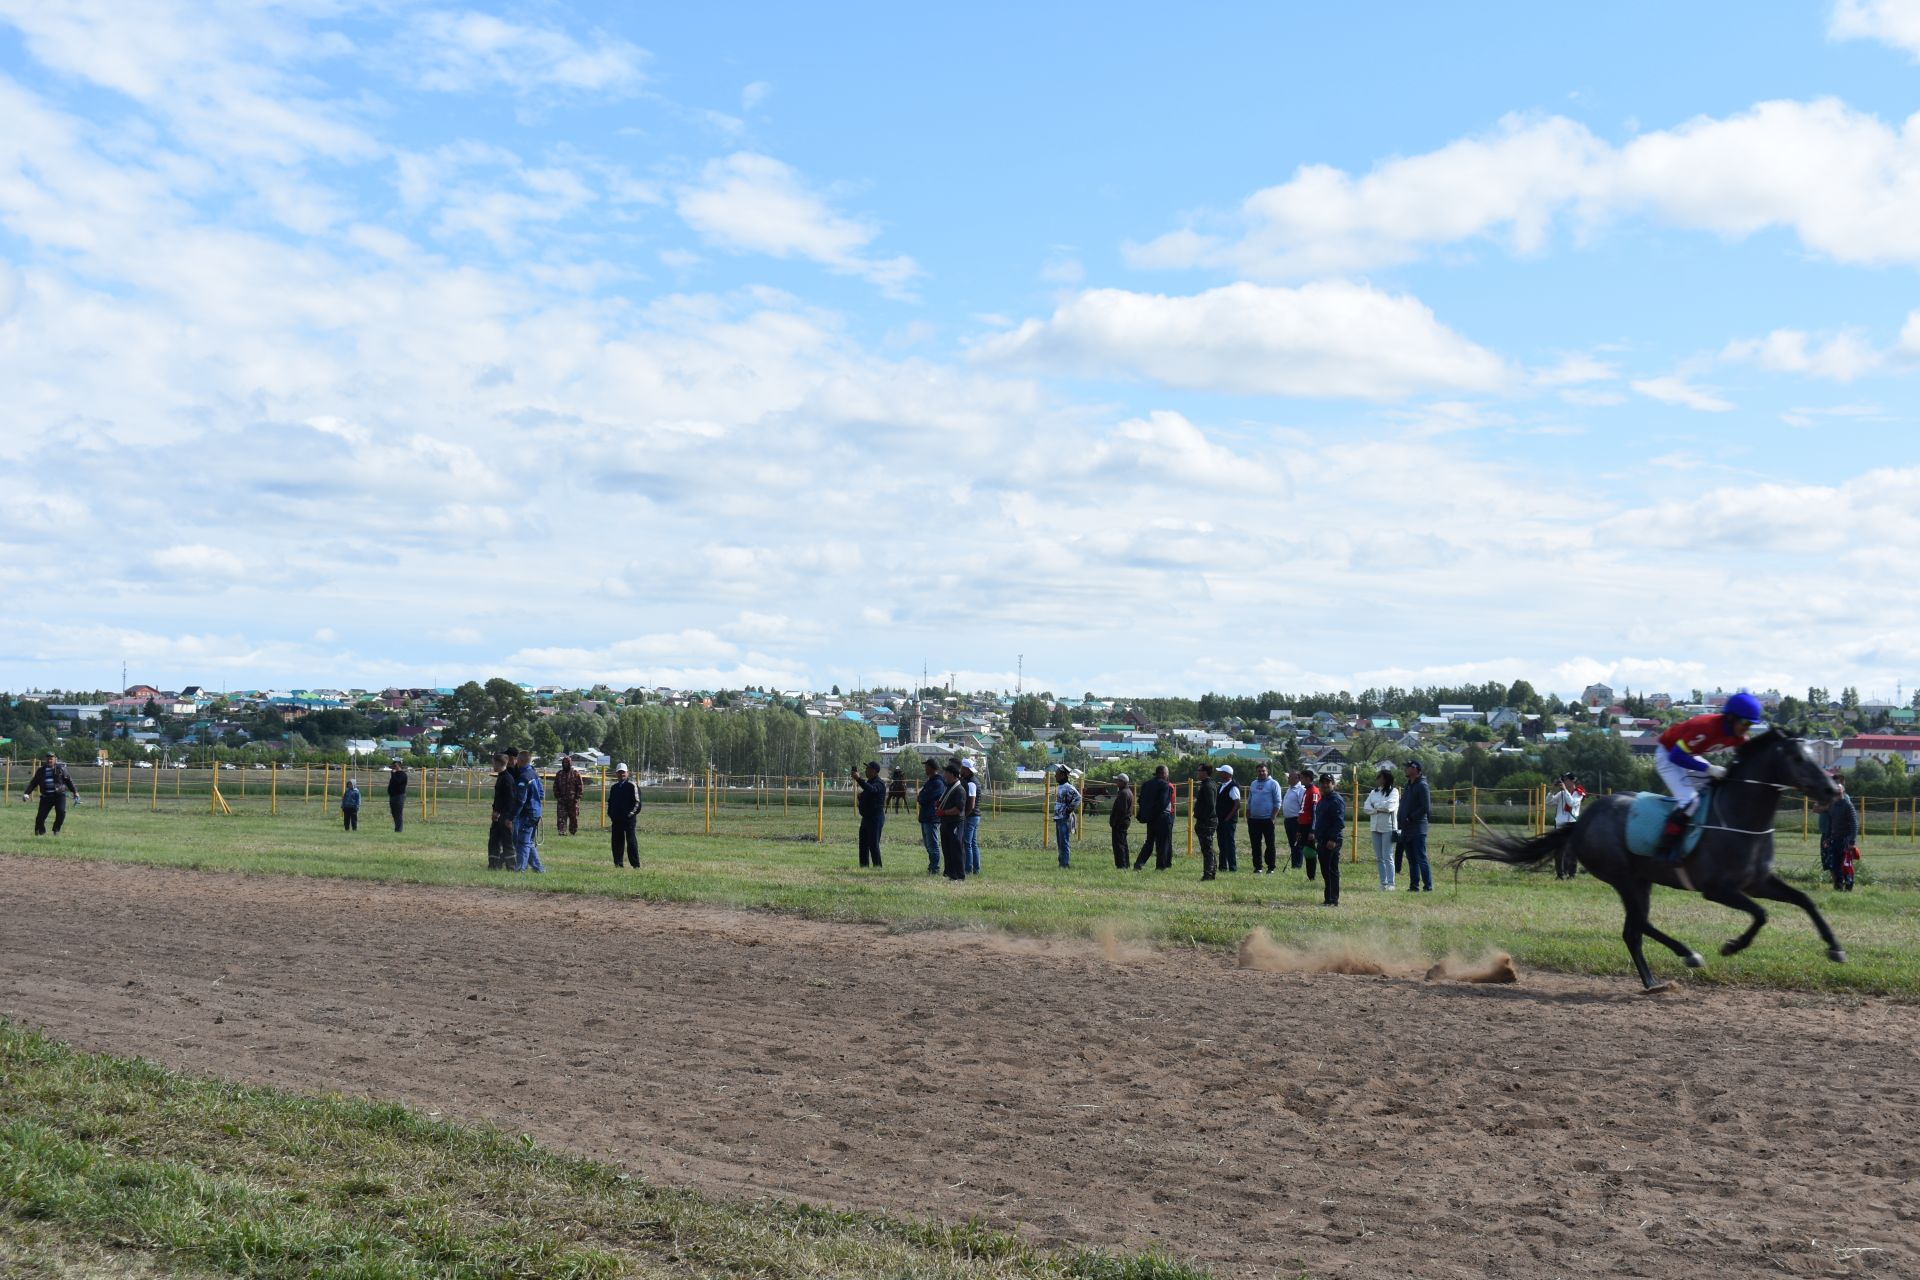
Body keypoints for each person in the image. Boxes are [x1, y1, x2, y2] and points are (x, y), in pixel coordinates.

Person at [1653, 691, 1760, 856]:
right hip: (1667, 756)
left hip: (1688, 756)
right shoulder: (1705, 727)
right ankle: (1665, 848)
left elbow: (1747, 758)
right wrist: (1709, 769)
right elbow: (1676, 756)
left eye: (1750, 725)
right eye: (1745, 722)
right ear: (1731, 718)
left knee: (1719, 786)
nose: (1747, 728)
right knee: (1690, 801)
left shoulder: (1738, 735)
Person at [21, 752, 78, 836]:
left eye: (51, 758)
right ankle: (40, 831)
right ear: (45, 760)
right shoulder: (40, 771)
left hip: (59, 796)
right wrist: (26, 793)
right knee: (40, 817)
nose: (49, 760)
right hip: (46, 797)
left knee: (61, 812)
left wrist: (75, 792)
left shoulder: (61, 769)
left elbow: (69, 781)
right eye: (48, 758)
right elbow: (33, 783)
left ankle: (56, 830)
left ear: (55, 760)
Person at [1398, 759, 1432, 892]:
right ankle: (1414, 886)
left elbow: (1425, 807)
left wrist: (1411, 817)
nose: (1405, 769)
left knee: (1421, 858)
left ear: (1416, 769)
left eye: (1408, 767)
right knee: (1411, 859)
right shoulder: (1408, 785)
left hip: (1418, 828)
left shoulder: (1422, 785)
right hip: (1406, 828)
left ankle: (1428, 886)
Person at [1819, 776, 1858, 890]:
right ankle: (1839, 886)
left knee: (1846, 865)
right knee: (1835, 865)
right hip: (1835, 839)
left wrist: (1852, 841)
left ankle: (1849, 885)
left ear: (1843, 792)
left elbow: (1854, 824)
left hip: (1846, 840)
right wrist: (1828, 838)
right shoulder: (1832, 806)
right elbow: (1831, 825)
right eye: (1836, 791)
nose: (1838, 793)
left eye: (1839, 791)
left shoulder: (1848, 806)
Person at [1133, 764, 1176, 870]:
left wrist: (1148, 814)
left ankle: (1139, 864)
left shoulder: (1146, 784)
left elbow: (1140, 800)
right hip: (1162, 817)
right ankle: (1160, 866)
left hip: (1150, 819)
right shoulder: (1165, 785)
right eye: (1167, 773)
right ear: (1164, 773)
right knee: (1162, 843)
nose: (1168, 775)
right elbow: (1163, 803)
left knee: (1149, 842)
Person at [1312, 771, 1345, 905]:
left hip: (1331, 840)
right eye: (1323, 782)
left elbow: (1339, 822)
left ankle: (1332, 899)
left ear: (1333, 784)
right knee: (1326, 870)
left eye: (1328, 782)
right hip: (1322, 839)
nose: (1325, 785)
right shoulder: (1323, 799)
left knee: (1331, 870)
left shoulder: (1336, 800)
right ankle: (1328, 898)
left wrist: (1332, 839)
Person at [1363, 767, 1399, 890]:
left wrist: (1375, 807)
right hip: (1375, 827)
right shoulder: (1373, 792)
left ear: (1385, 779)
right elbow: (1366, 807)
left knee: (1387, 855)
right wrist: (1377, 809)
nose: (1377, 779)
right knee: (1379, 857)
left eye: (1379, 777)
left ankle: (1391, 883)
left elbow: (1390, 807)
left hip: (1388, 827)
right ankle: (1383, 883)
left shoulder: (1394, 791)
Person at [510, 748, 544, 873]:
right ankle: (539, 868)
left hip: (527, 814)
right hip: (535, 812)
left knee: (522, 842)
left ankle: (520, 869)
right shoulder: (534, 774)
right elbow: (541, 793)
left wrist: (512, 816)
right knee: (528, 842)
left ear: (519, 761)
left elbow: (521, 801)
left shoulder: (523, 778)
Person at [1245, 763, 1281, 874]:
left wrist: (1273, 817)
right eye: (1259, 771)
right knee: (1255, 844)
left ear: (1267, 772)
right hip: (1254, 820)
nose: (1261, 773)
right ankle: (1258, 867)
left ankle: (1271, 867)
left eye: (1263, 771)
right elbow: (1250, 801)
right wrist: (1248, 815)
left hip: (1267, 820)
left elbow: (1278, 802)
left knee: (1270, 844)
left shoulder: (1273, 784)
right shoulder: (1253, 783)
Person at [606, 763, 643, 867]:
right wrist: (611, 814)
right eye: (619, 772)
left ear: (627, 773)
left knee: (631, 842)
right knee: (616, 841)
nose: (621, 774)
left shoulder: (632, 786)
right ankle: (618, 863)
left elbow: (637, 803)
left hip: (629, 820)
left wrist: (630, 814)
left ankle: (635, 865)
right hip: (616, 819)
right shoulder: (614, 787)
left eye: (623, 772)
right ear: (616, 774)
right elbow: (610, 802)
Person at [852, 761, 886, 868]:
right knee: (863, 844)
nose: (866, 770)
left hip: (875, 818)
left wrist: (858, 779)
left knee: (873, 844)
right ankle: (864, 866)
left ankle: (877, 866)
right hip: (866, 818)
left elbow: (872, 790)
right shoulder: (870, 782)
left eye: (868, 769)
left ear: (874, 771)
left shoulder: (879, 783)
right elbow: (868, 791)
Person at [936, 761, 968, 880]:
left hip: (955, 823)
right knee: (947, 849)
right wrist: (939, 804)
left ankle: (959, 875)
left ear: (953, 775)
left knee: (956, 849)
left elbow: (958, 809)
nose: (944, 775)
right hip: (946, 823)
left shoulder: (959, 790)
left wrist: (943, 812)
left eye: (946, 773)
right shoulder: (948, 788)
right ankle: (949, 873)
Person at [1550, 772, 1583, 879]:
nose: (1564, 781)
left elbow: (1571, 803)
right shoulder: (1562, 794)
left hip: (1571, 825)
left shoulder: (1579, 793)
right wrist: (1552, 790)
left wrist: (1564, 790)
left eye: (1566, 779)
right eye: (1563, 779)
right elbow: (1548, 802)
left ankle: (1571, 874)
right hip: (1559, 825)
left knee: (1571, 850)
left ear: (1572, 781)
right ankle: (1560, 874)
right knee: (1558, 851)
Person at [916, 758, 945, 874]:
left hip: (932, 817)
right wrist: (921, 797)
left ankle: (935, 868)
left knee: (933, 844)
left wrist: (922, 797)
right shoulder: (930, 781)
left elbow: (928, 798)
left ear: (932, 768)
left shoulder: (938, 783)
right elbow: (921, 796)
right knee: (928, 844)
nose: (925, 769)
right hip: (925, 817)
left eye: (927, 766)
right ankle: (932, 866)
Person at [487, 751, 515, 870]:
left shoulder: (507, 779)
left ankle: (511, 866)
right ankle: (493, 865)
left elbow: (509, 799)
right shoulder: (501, 777)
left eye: (494, 763)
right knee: (493, 840)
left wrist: (503, 814)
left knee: (507, 842)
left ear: (499, 763)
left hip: (504, 815)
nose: (493, 766)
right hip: (498, 814)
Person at [1192, 763, 1219, 880]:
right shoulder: (1208, 784)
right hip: (1206, 820)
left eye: (1199, 770)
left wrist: (1202, 818)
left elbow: (1210, 805)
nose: (1197, 772)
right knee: (1208, 848)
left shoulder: (1208, 786)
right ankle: (1211, 873)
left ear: (1205, 772)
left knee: (1207, 849)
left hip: (1207, 822)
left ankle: (1208, 874)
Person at [1052, 765, 1081, 868]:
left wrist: (1069, 809)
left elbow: (1078, 797)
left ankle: (1065, 864)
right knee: (1060, 842)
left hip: (1064, 818)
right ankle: (1061, 862)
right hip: (1058, 818)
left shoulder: (1068, 787)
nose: (1056, 777)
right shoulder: (1060, 786)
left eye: (1057, 775)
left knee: (1064, 841)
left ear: (1063, 775)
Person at [1215, 765, 1241, 873]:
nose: (1220, 774)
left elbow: (1237, 804)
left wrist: (1228, 818)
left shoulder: (1233, 787)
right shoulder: (1221, 786)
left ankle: (1232, 867)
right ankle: (1222, 866)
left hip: (1228, 820)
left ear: (1227, 774)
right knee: (1221, 843)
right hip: (1220, 819)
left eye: (1221, 772)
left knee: (1229, 843)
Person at [961, 758, 984, 876]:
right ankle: (976, 868)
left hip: (971, 816)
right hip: (975, 816)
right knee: (973, 843)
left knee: (967, 843)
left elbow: (971, 804)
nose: (960, 770)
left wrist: (964, 816)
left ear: (966, 769)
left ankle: (968, 869)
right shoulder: (975, 781)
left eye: (962, 768)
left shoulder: (970, 783)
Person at [1281, 769, 1307, 870]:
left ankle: (1297, 865)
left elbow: (1302, 806)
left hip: (1296, 820)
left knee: (1297, 844)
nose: (1288, 778)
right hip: (1288, 820)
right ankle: (1294, 864)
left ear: (1297, 778)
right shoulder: (1290, 789)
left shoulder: (1301, 789)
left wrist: (1300, 822)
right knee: (1292, 843)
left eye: (1290, 777)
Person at [552, 756, 584, 836]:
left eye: (567, 763)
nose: (565, 764)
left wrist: (577, 798)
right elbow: (555, 786)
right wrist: (558, 796)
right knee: (561, 817)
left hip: (573, 801)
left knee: (573, 818)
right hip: (561, 801)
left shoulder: (575, 773)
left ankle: (573, 832)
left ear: (570, 763)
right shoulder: (559, 774)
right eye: (564, 763)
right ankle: (562, 831)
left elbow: (580, 786)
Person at [1108, 774, 1135, 869]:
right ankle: (1125, 864)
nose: (1117, 782)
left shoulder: (1123, 793)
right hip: (1124, 822)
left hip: (1120, 823)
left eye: (1118, 781)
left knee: (1118, 845)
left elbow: (1122, 810)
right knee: (1123, 844)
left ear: (1123, 782)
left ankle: (1121, 865)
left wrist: (1114, 822)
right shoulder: (1127, 792)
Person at [1298, 771, 1321, 879]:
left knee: (1310, 850)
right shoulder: (1306, 790)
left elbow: (1315, 811)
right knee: (1306, 850)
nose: (1300, 780)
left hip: (1309, 825)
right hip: (1303, 825)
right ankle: (1309, 875)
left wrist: (1312, 830)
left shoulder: (1314, 791)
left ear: (1308, 778)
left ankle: (1312, 876)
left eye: (1302, 778)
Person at [386, 758, 408, 833]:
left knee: (398, 813)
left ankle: (399, 830)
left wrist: (393, 773)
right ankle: (397, 828)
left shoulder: (402, 774)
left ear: (398, 766)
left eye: (395, 766)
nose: (393, 767)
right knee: (394, 813)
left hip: (399, 796)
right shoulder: (394, 774)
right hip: (393, 796)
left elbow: (398, 781)